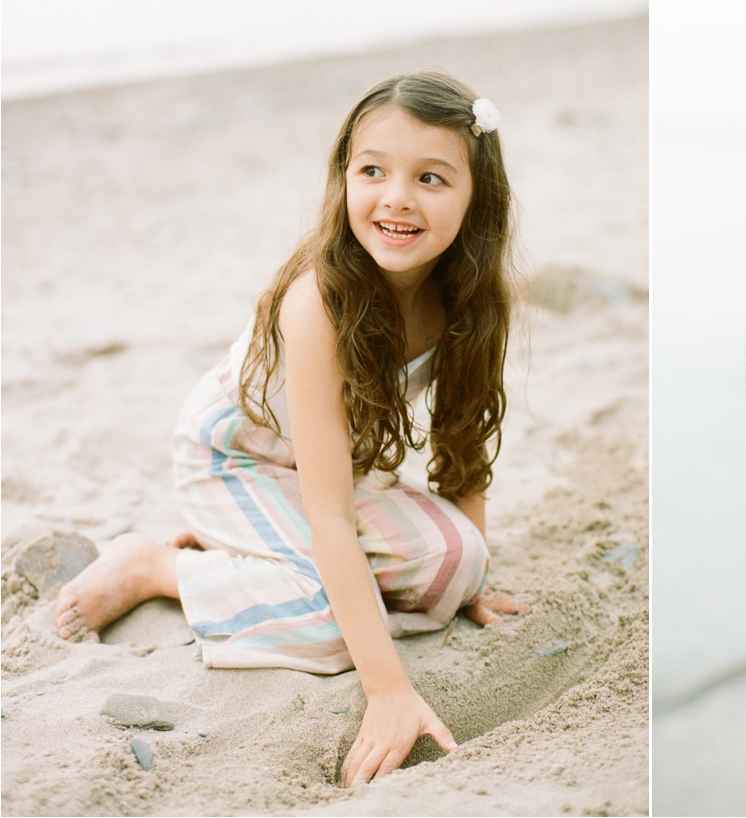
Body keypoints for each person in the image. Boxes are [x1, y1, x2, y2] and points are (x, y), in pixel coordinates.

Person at [53, 72, 527, 788]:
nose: (397, 196)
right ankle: (157, 566)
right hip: (234, 461)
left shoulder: (470, 298)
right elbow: (329, 516)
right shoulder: (320, 303)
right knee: (328, 624)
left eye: (431, 178)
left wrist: (474, 576)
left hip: (335, 466)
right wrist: (388, 689)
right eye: (373, 171)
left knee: (457, 567)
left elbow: (463, 440)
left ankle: (265, 566)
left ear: (476, 199)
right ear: (344, 181)